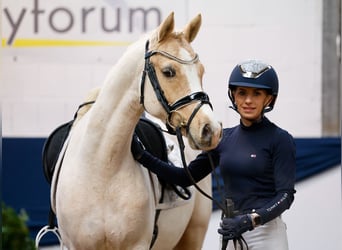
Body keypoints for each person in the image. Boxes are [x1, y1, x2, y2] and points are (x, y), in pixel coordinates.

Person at [131, 59, 296, 250]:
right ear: (233, 95)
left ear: (269, 99)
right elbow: (185, 178)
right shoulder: (223, 138)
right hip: (230, 231)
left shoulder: (280, 139)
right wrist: (143, 157)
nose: (248, 100)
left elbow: (286, 196)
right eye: (242, 93)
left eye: (256, 94)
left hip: (265, 233)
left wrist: (251, 220)